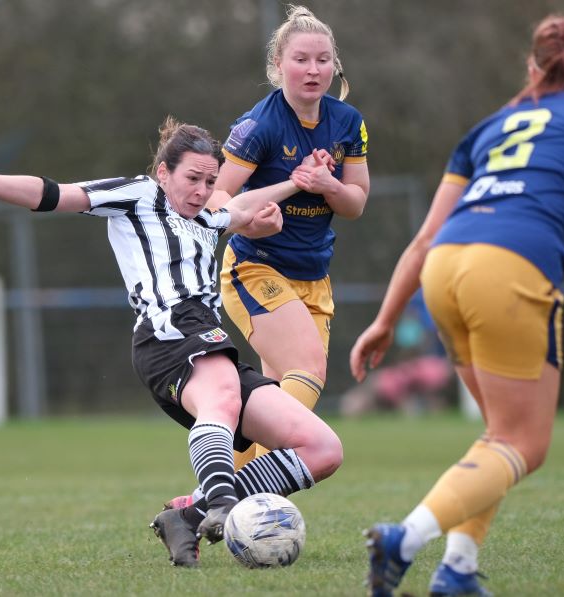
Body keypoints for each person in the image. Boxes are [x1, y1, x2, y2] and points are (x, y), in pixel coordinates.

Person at [0, 116, 343, 567]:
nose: (200, 190)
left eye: (210, 181)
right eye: (191, 178)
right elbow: (52, 194)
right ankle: (220, 504)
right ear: (163, 172)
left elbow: (242, 206)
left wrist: (292, 185)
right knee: (222, 397)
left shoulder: (208, 217)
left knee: (322, 448)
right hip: (167, 333)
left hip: (209, 340)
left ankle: (189, 517)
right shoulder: (138, 195)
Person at [350, 15, 564, 596]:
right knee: (525, 444)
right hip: (507, 267)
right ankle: (403, 541)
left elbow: (422, 239)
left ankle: (458, 570)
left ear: (531, 69)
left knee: (499, 435)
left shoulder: (489, 127)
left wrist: (386, 319)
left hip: (445, 267)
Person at [204, 4, 369, 467]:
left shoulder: (348, 122)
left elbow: (355, 203)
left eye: (322, 59)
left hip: (314, 279)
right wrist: (250, 221)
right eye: (300, 59)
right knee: (309, 371)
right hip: (255, 268)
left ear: (334, 66)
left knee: (278, 398)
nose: (313, 70)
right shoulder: (259, 125)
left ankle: (220, 500)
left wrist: (329, 185)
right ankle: (218, 492)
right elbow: (214, 196)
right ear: (278, 66)